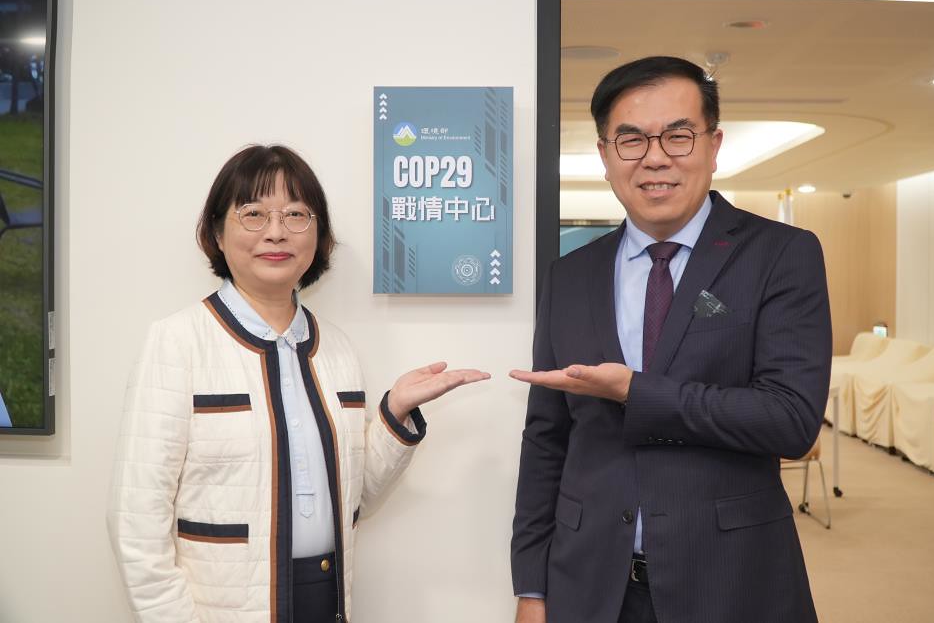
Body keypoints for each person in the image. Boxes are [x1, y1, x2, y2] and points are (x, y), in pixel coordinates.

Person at [107, 144, 489, 622]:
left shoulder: (338, 349)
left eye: (295, 214)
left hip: (326, 597)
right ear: (217, 233)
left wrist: (395, 413)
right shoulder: (177, 342)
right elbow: (136, 521)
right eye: (253, 213)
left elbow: (356, 498)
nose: (276, 231)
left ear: (319, 236)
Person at [510, 56, 832, 623]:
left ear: (714, 145)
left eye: (678, 136)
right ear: (605, 155)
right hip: (590, 585)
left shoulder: (781, 254)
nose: (655, 157)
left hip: (732, 581)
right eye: (631, 139)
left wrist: (635, 392)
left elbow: (791, 420)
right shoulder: (570, 275)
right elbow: (546, 440)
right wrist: (531, 588)